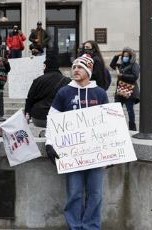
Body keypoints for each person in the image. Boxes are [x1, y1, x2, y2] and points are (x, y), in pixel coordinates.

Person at [45, 54, 108, 229]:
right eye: (73, 67)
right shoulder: (64, 92)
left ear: (88, 70)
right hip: (72, 155)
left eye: (80, 67)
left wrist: (110, 154)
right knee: (74, 193)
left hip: (95, 155)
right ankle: (74, 226)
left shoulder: (100, 93)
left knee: (95, 194)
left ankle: (91, 226)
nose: (75, 70)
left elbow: (109, 124)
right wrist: (49, 143)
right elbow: (53, 118)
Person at [25, 51, 71, 128]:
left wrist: (27, 113)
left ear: (46, 66)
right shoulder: (67, 81)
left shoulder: (38, 80)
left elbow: (30, 99)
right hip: (58, 118)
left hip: (38, 118)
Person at [110, 47, 140, 131]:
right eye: (123, 55)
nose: (124, 57)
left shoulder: (135, 65)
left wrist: (122, 76)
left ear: (131, 57)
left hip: (129, 91)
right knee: (117, 109)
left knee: (130, 110)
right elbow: (112, 65)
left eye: (127, 56)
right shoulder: (121, 65)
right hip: (120, 90)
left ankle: (132, 128)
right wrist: (116, 56)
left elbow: (135, 76)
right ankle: (117, 127)